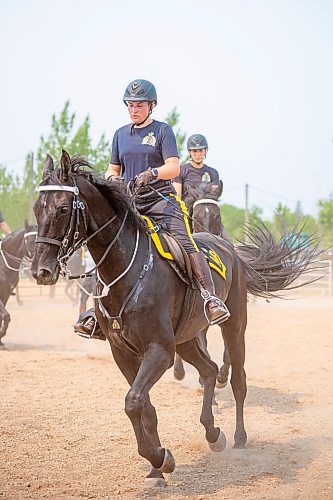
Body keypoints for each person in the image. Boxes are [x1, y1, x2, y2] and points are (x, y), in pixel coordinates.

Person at [75, 79, 229, 337]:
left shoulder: (162, 131)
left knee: (184, 241)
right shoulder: (120, 134)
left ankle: (209, 298)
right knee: (109, 246)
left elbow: (174, 167)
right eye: (130, 105)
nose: (133, 109)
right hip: (130, 202)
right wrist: (113, 179)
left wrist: (152, 173)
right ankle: (97, 312)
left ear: (151, 105)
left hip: (161, 201)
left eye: (139, 105)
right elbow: (113, 168)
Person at [173, 134, 220, 201]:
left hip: (205, 207)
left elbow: (214, 197)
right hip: (186, 209)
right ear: (189, 152)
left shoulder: (213, 173)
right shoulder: (180, 171)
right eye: (194, 151)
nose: (198, 155)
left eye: (200, 150)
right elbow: (177, 197)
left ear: (205, 151)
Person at [78, 248, 96, 315]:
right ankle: (81, 317)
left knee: (95, 299)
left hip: (96, 276)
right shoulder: (86, 253)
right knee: (83, 298)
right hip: (87, 276)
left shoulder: (97, 253)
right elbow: (83, 265)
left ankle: (95, 317)